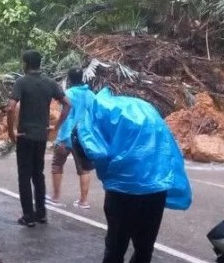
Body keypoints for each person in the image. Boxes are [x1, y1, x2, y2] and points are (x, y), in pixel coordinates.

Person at [77, 88, 192, 263]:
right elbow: (169, 150)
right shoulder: (147, 110)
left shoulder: (100, 110)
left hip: (123, 190)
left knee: (115, 248)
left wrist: (105, 168)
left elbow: (94, 150)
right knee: (145, 248)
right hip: (155, 187)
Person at [6, 50, 71, 227]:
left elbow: (11, 107)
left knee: (24, 175)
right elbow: (68, 104)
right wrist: (56, 127)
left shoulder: (21, 82)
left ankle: (28, 215)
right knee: (38, 174)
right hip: (41, 135)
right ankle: (41, 213)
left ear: (26, 64)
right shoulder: (50, 83)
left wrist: (11, 132)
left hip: (25, 135)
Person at [46, 67, 95, 209]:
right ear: (82, 78)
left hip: (66, 135)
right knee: (84, 169)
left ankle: (55, 197)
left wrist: (56, 129)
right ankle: (83, 201)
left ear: (69, 79)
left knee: (57, 165)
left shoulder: (68, 94)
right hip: (83, 136)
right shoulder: (91, 95)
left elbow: (65, 115)